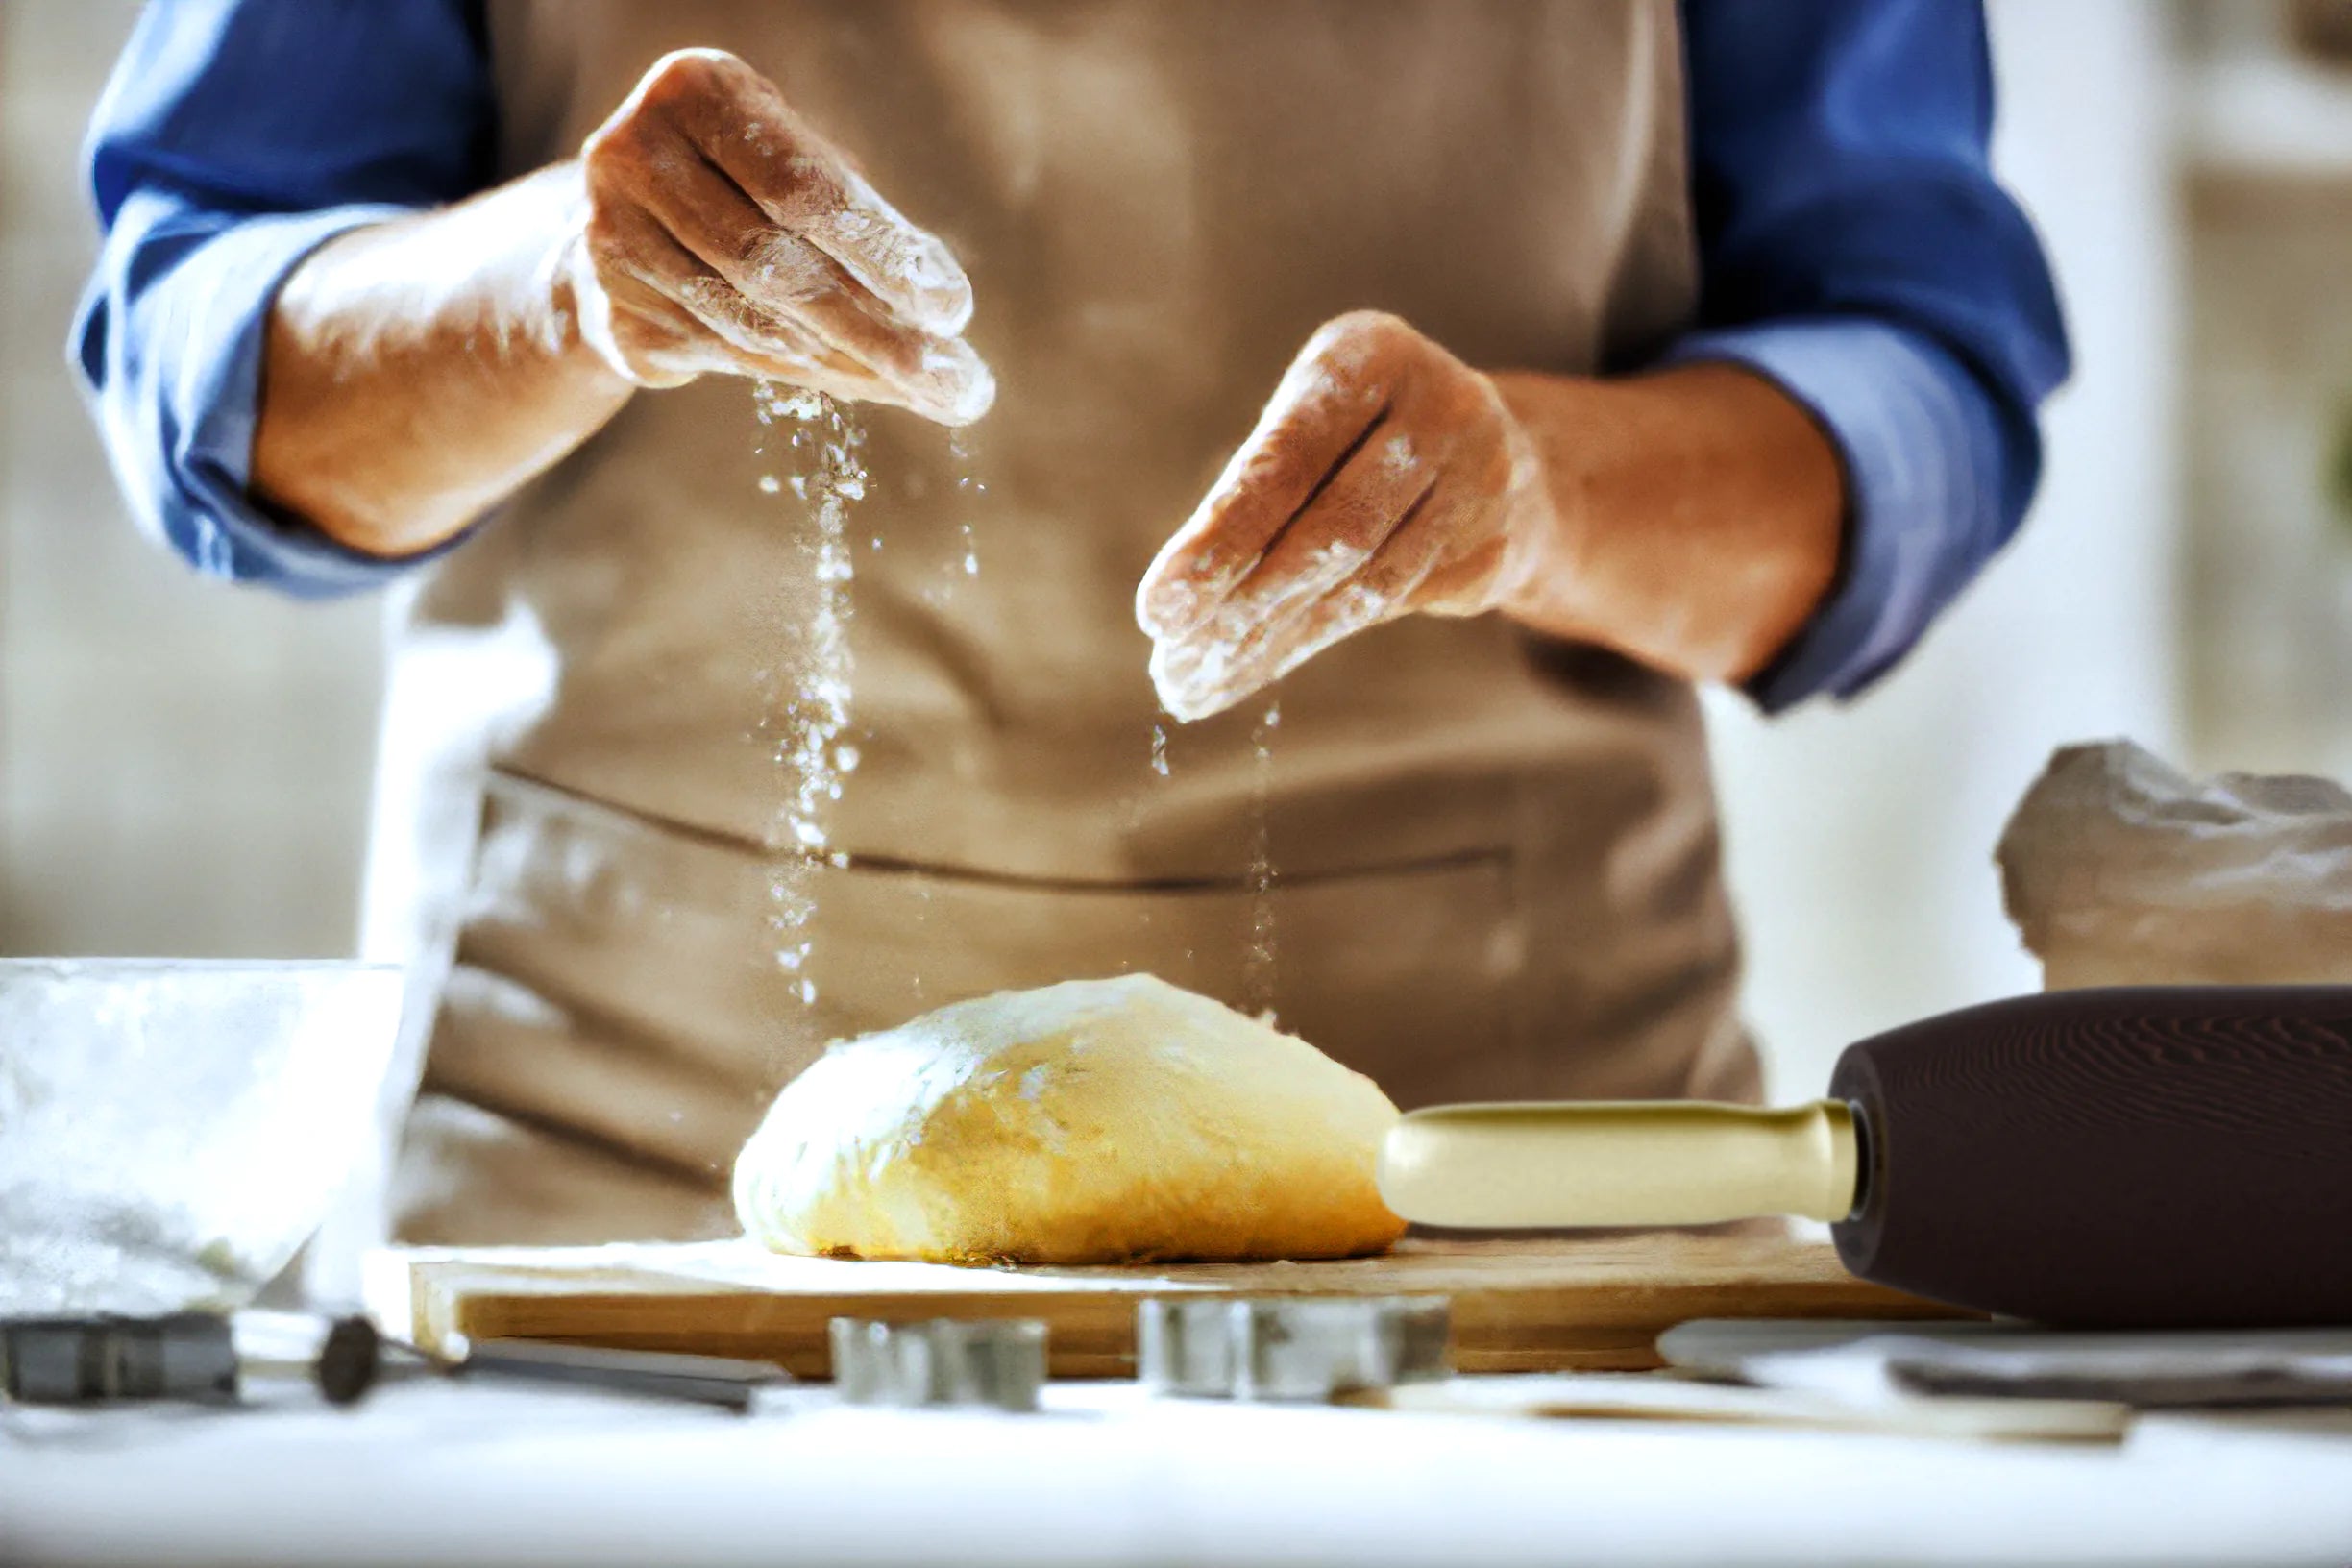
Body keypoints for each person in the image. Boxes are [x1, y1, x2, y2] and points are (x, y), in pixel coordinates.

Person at [78, 1, 2066, 1247]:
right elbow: (201, 339)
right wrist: (561, 291)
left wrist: (1538, 494)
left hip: (1497, 1183)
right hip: (628, 1180)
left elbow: (1913, 398)